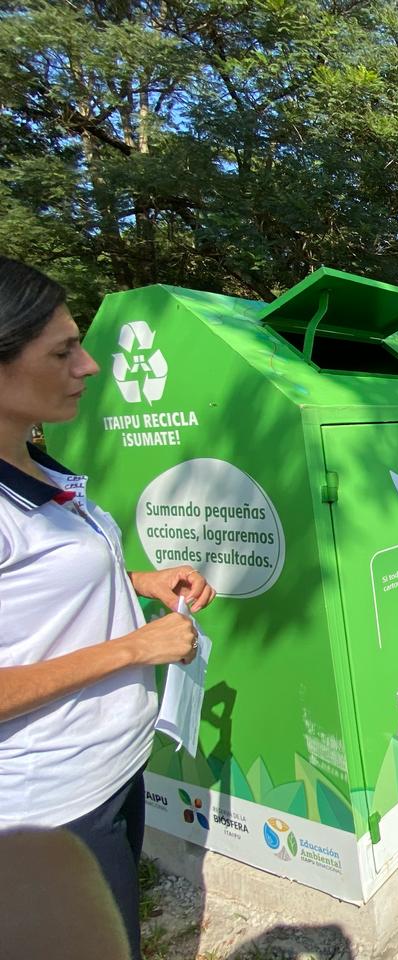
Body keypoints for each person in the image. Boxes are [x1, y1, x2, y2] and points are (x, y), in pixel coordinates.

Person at [0, 257, 216, 960]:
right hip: (49, 806)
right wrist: (134, 649)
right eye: (63, 351)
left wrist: (138, 582)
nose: (90, 365)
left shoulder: (39, 464)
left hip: (112, 770)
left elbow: (31, 590)